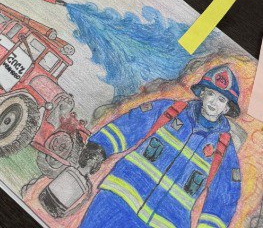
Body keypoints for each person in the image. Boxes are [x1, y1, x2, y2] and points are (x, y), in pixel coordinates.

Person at [80, 66, 243, 228]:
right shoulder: (170, 110)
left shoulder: (224, 150)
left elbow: (223, 199)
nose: (213, 102)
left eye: (221, 99)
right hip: (117, 199)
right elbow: (132, 123)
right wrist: (99, 148)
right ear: (202, 93)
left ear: (227, 108)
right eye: (211, 94)